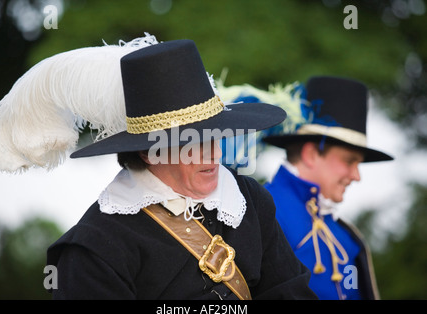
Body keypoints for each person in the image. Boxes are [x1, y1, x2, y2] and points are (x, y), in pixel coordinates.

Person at [42, 39, 317, 299]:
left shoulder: (250, 200)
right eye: (193, 141)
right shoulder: (95, 248)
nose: (215, 153)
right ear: (149, 152)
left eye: (216, 135)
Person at [263, 76, 393, 300]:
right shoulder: (261, 214)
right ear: (311, 154)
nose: (356, 175)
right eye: (349, 161)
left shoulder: (344, 235)